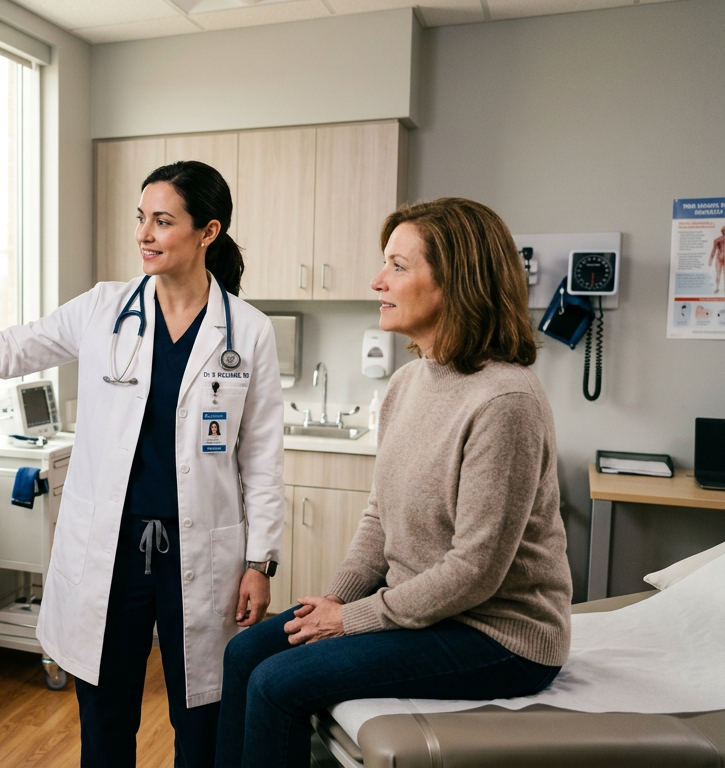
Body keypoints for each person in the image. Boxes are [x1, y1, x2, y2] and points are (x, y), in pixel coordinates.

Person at [0, 161, 287, 768]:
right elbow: (11, 347)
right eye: (141, 219)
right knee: (105, 721)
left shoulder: (249, 332)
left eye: (163, 221)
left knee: (200, 721)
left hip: (200, 553)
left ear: (207, 233)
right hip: (112, 551)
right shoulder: (105, 309)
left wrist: (260, 562)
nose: (145, 234)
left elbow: (262, 458)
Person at [215, 198, 574, 768]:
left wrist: (350, 620)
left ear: (458, 281)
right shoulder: (408, 384)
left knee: (277, 682)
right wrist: (336, 599)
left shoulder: (505, 401)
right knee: (245, 655)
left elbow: (475, 571)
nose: (378, 280)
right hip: (421, 613)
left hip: (496, 634)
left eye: (398, 266)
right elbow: (380, 518)